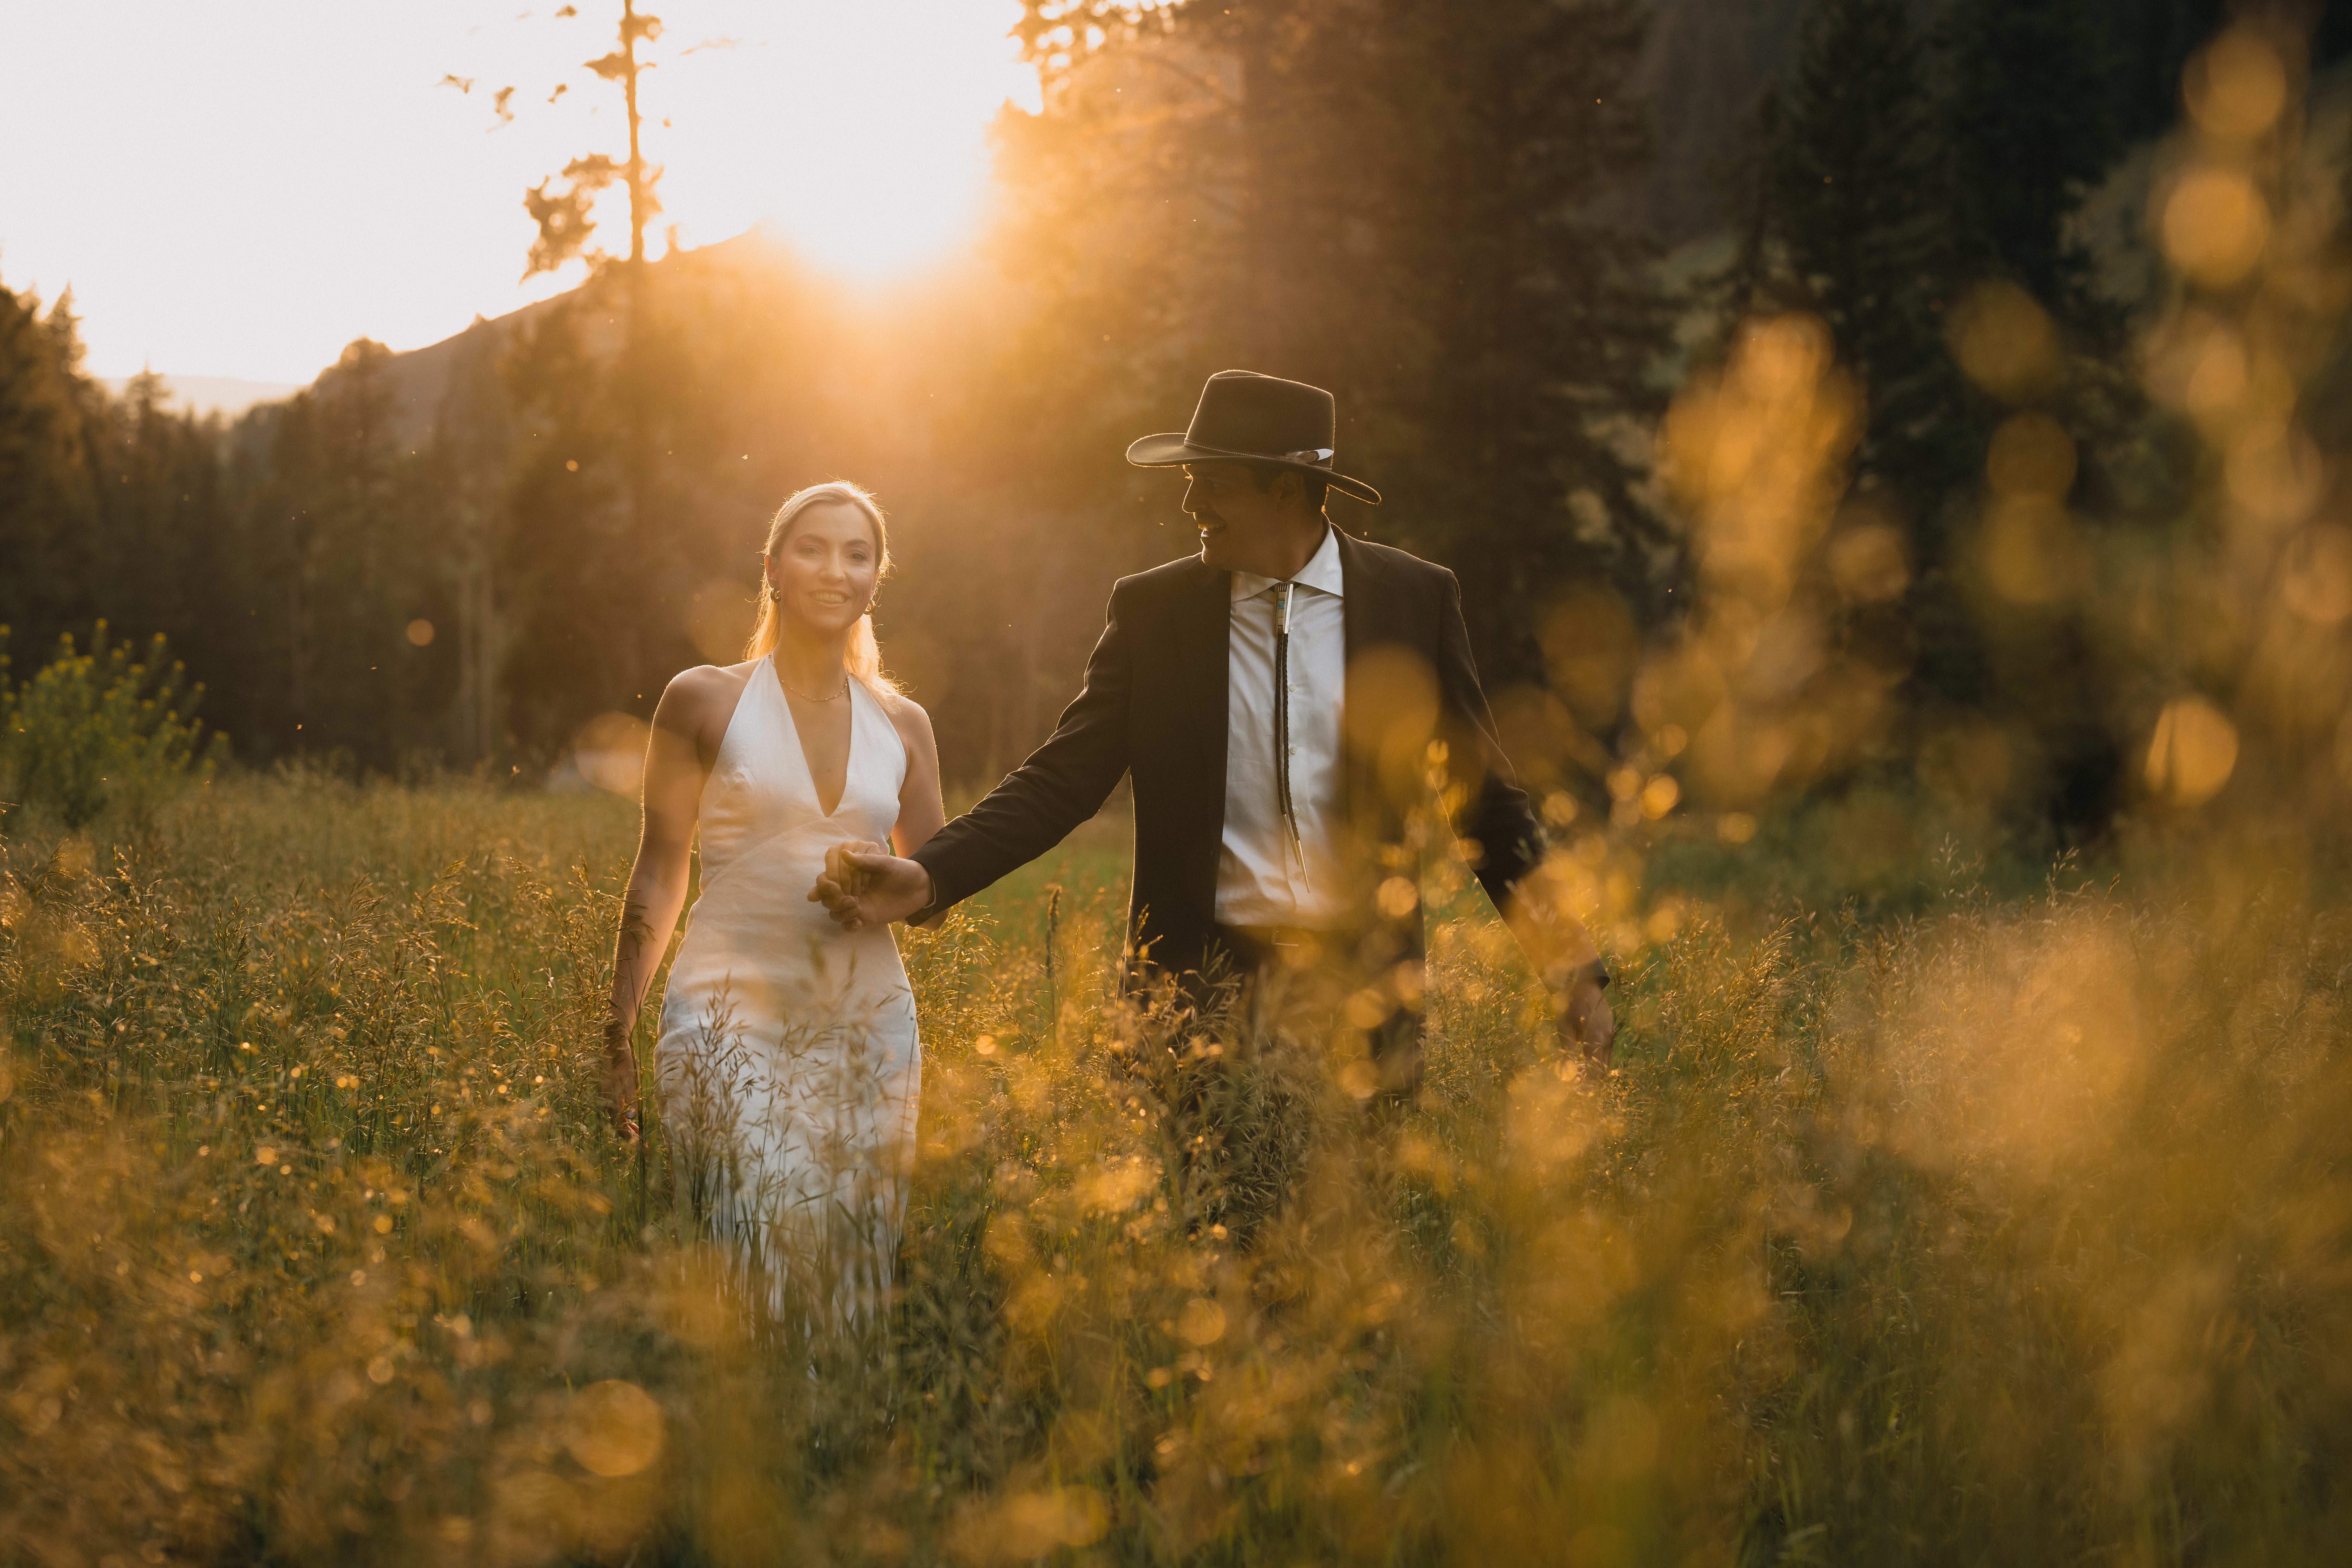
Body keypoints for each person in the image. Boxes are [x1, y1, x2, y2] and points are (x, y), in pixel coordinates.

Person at [810, 371, 1613, 1098]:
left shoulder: (1414, 601)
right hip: (1192, 1002)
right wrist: (929, 875)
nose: (1189, 506)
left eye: (1211, 484)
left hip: (1363, 1005)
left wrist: (1571, 970)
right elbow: (1060, 781)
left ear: (1288, 492)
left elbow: (1483, 804)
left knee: (1348, 1259)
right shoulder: (1154, 612)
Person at [602, 480, 945, 1319]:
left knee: (855, 1262)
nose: (836, 569)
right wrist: (615, 1027)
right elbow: (659, 868)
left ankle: (845, 1437)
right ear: (773, 570)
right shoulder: (702, 698)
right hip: (727, 1013)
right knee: (747, 1241)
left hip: (869, 1024)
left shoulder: (905, 724)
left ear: (875, 579)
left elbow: (937, 889)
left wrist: (885, 883)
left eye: (857, 554)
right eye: (813, 548)